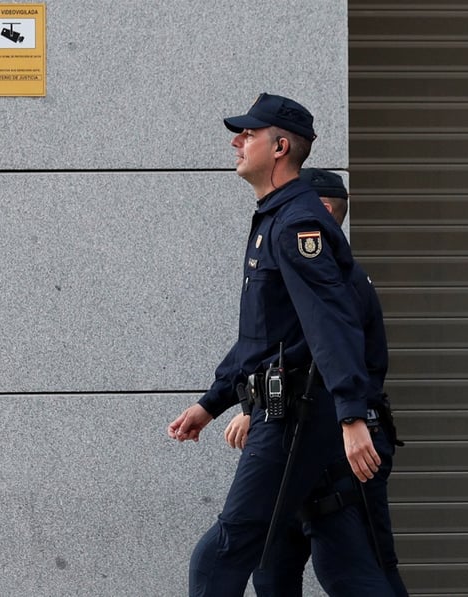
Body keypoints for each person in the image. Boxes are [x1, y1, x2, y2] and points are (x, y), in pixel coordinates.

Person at [166, 93, 394, 597]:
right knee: (341, 568)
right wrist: (212, 403)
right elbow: (262, 337)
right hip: (292, 408)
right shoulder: (275, 217)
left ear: (280, 146)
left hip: (294, 414)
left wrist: (352, 414)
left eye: (248, 134)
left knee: (219, 557)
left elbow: (330, 324)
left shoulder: (296, 224)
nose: (236, 140)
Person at [222, 168, 409, 596]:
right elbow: (268, 349)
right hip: (303, 435)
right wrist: (244, 407)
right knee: (271, 570)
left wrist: (349, 419)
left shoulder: (336, 280)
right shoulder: (314, 277)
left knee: (365, 570)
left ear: (321, 213)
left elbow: (323, 353)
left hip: (343, 440)